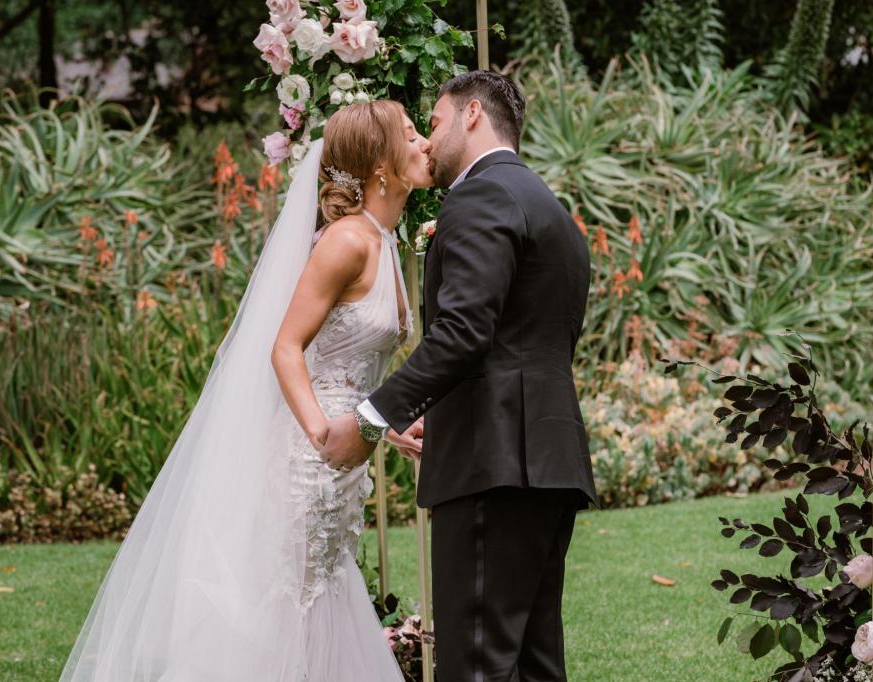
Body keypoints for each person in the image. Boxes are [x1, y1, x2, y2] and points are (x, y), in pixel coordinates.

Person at [59, 99, 430, 681]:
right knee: (292, 603)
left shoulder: (385, 238)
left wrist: (392, 426)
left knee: (322, 591)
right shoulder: (347, 240)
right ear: (381, 165)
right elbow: (285, 346)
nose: (426, 142)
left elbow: (358, 364)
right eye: (411, 135)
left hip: (348, 461)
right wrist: (320, 434)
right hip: (310, 465)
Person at [319, 70, 598, 682]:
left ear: (473, 113)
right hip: (547, 462)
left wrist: (371, 418)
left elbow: (465, 331)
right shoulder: (547, 206)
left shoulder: (480, 196)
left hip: (492, 470)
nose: (428, 142)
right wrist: (435, 410)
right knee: (532, 665)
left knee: (474, 664)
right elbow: (520, 344)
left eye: (436, 123)